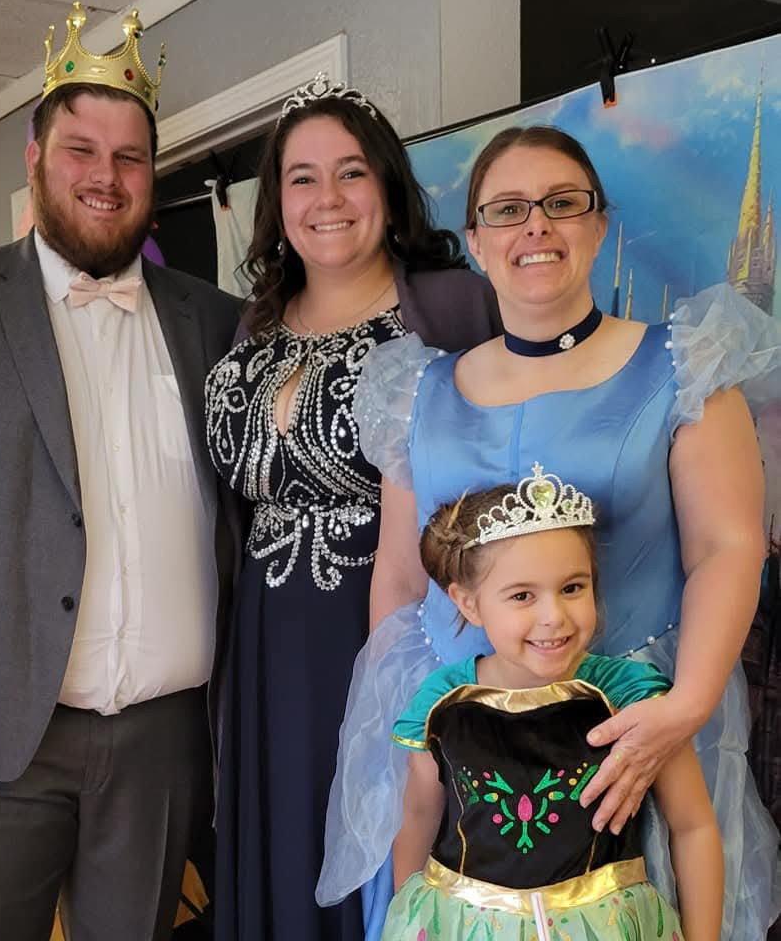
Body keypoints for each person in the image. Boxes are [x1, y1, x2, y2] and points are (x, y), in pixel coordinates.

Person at [319, 125, 781, 940]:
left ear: (599, 225)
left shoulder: (684, 365)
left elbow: (727, 548)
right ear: (476, 241)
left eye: (562, 203)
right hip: (461, 743)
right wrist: (404, 729)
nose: (535, 225)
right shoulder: (415, 392)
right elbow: (398, 578)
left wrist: (683, 708)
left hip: (628, 728)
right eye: (507, 209)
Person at [0, 3, 240, 941]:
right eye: (81, 150)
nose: (105, 177)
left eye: (129, 158)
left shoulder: (217, 323)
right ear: (35, 158)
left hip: (162, 746)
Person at [205, 73, 501, 941]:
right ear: (278, 202)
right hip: (263, 640)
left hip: (387, 625)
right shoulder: (255, 324)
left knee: (379, 838)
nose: (327, 198)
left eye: (351, 173)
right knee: (282, 841)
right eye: (303, 177)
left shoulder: (452, 306)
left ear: (388, 188)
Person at [382, 471, 722, 941]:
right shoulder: (443, 702)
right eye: (522, 596)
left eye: (572, 588)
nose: (553, 617)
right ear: (468, 604)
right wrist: (409, 920)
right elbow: (419, 815)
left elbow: (692, 826)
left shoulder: (631, 698)